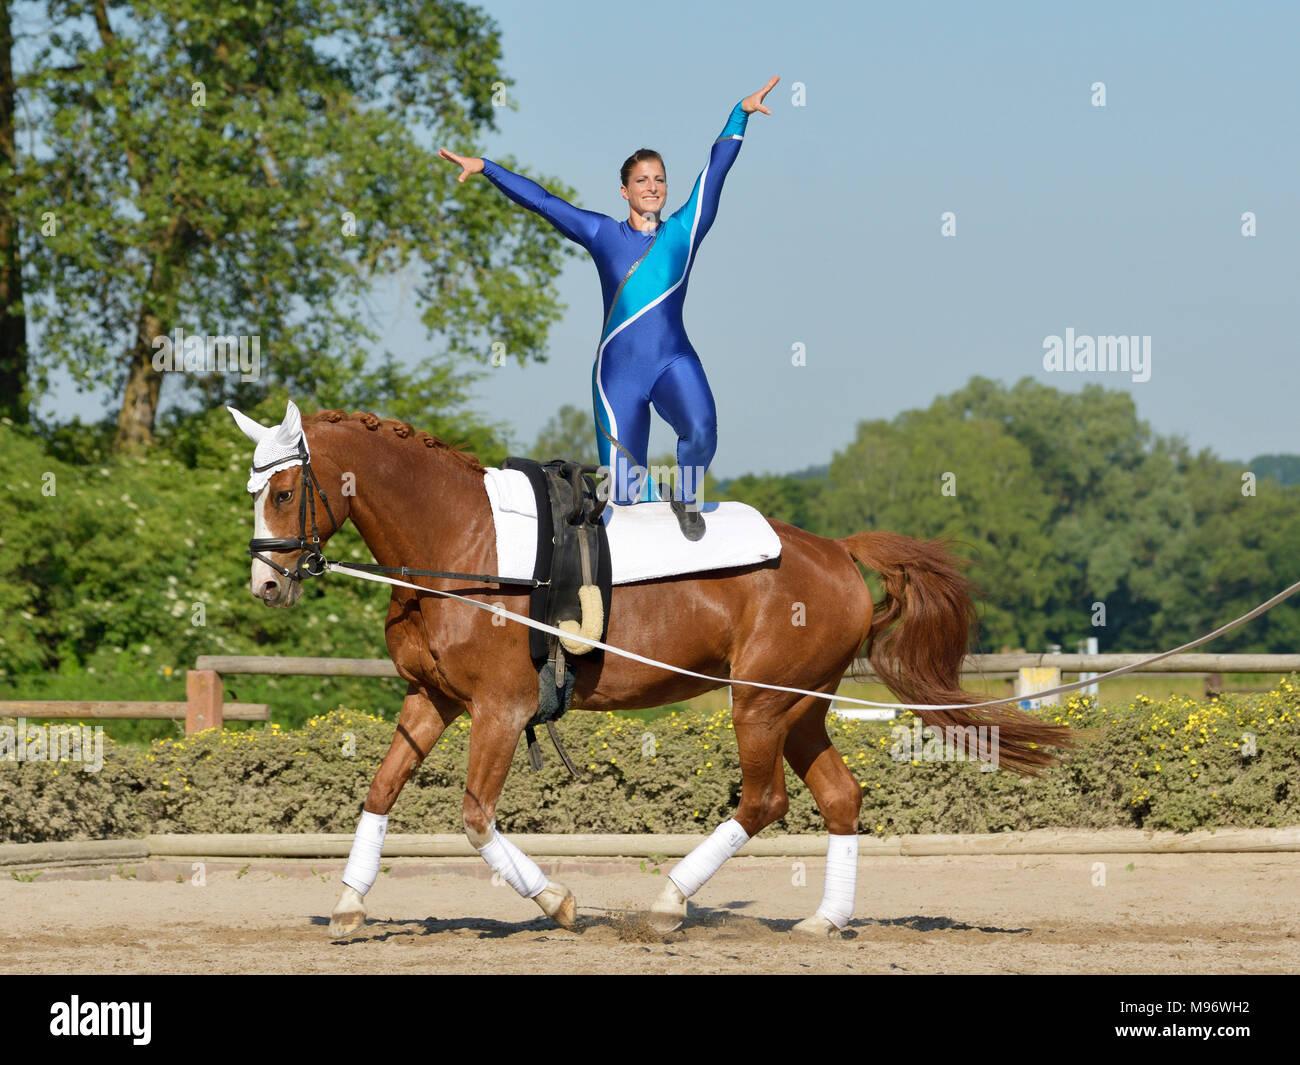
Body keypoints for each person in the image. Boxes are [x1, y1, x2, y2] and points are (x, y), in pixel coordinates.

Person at [439, 77, 779, 541]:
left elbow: (715, 169)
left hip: (672, 360)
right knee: (622, 494)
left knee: (701, 430)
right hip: (616, 377)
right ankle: (652, 507)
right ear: (624, 191)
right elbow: (543, 202)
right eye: (642, 180)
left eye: (660, 179)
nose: (653, 187)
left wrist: (740, 113)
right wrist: (486, 167)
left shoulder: (685, 229)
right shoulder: (602, 234)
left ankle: (686, 495)